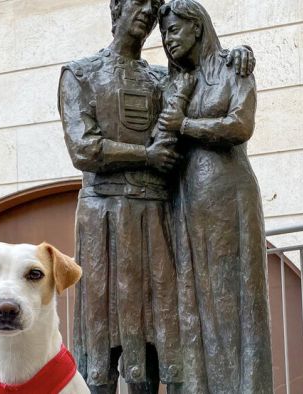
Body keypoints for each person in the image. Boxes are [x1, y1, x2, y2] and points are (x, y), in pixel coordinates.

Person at [58, 1, 255, 392]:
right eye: (138, 1)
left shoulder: (164, 79)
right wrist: (145, 155)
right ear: (117, 9)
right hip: (106, 218)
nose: (147, 10)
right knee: (100, 338)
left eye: (154, 4)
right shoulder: (79, 74)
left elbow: (210, 80)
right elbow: (84, 149)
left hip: (157, 218)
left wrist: (234, 55)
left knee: (159, 334)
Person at [156, 1, 273, 393]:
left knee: (234, 299)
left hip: (228, 196)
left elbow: (240, 125)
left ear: (196, 26)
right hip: (186, 201)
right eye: (164, 34)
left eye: (173, 30)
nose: (167, 40)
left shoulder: (232, 68)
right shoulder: (174, 83)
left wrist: (184, 125)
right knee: (194, 303)